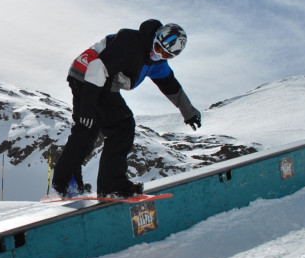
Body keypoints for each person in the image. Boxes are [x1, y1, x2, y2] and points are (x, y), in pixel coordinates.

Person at [52, 19, 201, 199]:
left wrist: (189, 112)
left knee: (87, 130)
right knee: (122, 127)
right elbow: (97, 68)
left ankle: (67, 183)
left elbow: (171, 86)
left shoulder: (157, 63)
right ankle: (112, 186)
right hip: (90, 76)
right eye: (158, 47)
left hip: (88, 76)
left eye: (166, 55)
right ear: (155, 37)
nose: (158, 54)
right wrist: (88, 107)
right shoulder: (131, 43)